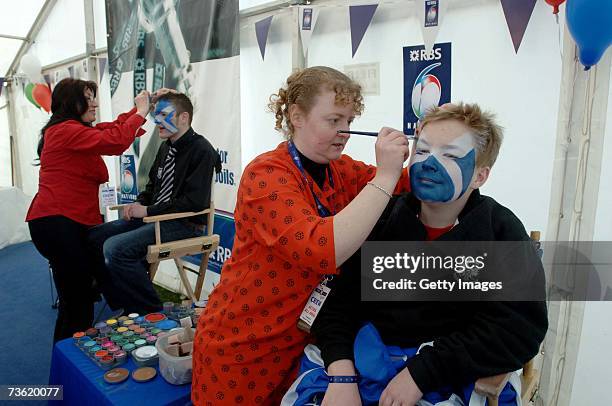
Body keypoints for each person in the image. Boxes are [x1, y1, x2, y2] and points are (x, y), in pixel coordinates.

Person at [291, 103, 548, 406]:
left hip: (447, 376)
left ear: (480, 176)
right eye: (422, 151)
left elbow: (518, 329)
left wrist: (421, 374)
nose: (429, 164)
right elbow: (336, 306)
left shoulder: (499, 231)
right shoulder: (382, 218)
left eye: (450, 155)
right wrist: (341, 376)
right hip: (363, 365)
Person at [191, 66, 412, 405]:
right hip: (242, 344)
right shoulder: (266, 174)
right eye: (333, 120)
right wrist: (384, 175)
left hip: (300, 345)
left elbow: (406, 184)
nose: (345, 132)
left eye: (349, 122)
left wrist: (430, 149)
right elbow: (321, 247)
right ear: (296, 115)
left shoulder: (343, 170)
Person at [26, 78, 150, 342]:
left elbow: (113, 128)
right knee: (76, 303)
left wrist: (142, 108)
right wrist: (140, 113)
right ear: (72, 102)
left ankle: (74, 361)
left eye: (94, 96)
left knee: (81, 298)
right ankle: (66, 369)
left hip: (71, 222)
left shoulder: (76, 131)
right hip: (57, 222)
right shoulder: (64, 131)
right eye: (88, 97)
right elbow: (115, 140)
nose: (95, 103)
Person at [88, 92, 221, 315]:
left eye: (163, 115)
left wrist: (148, 210)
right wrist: (138, 204)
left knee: (115, 248)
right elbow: (151, 187)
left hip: (183, 224)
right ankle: (123, 302)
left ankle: (151, 313)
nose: (156, 121)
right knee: (93, 238)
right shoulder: (165, 146)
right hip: (155, 219)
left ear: (184, 118)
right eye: (155, 114)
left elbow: (193, 203)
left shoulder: (202, 150)